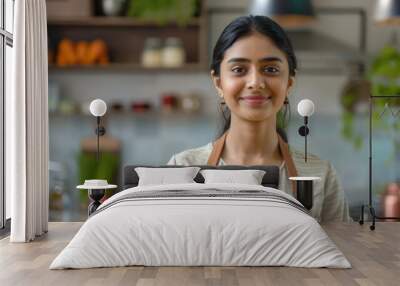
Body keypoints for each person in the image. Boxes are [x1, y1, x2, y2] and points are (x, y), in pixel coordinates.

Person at [167, 15, 351, 223]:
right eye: (239, 70)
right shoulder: (181, 168)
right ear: (218, 82)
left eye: (270, 69)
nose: (255, 82)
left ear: (289, 82)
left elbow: (341, 251)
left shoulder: (321, 175)